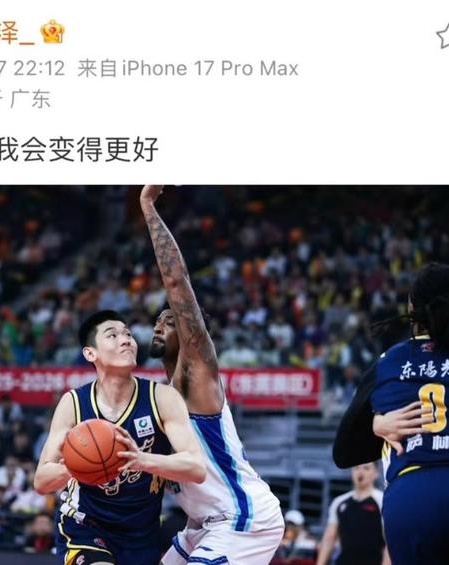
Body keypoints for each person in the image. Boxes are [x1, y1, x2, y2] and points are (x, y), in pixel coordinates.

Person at [140, 185, 284, 565]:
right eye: (157, 321)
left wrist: (148, 206)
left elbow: (177, 283)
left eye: (170, 321)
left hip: (243, 518)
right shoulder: (162, 395)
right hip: (202, 522)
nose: (159, 325)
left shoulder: (197, 374)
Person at [333, 262, 449, 564]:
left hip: (412, 496)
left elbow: (344, 452)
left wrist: (375, 424)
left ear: (411, 308)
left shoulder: (390, 359)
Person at [34, 309, 206, 565]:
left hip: (141, 535)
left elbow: (196, 467)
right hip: (85, 525)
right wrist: (77, 467)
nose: (126, 340)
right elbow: (41, 481)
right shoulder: (74, 403)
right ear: (90, 353)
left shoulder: (161, 398)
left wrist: (140, 459)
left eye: (128, 334)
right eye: (112, 335)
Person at [315, 463, 387, 565]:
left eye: (366, 468)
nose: (360, 472)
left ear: (376, 473)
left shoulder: (382, 501)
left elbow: (390, 542)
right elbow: (329, 539)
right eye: (356, 468)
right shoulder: (339, 502)